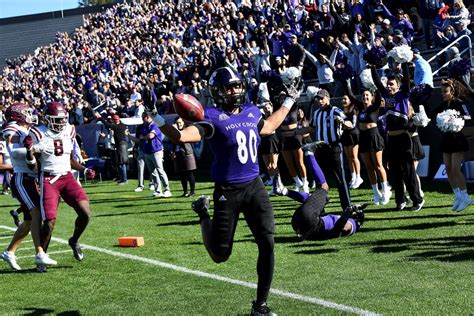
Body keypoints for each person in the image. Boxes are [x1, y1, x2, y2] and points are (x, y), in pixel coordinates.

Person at [153, 66, 301, 316]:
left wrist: (289, 100)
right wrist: (156, 118)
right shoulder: (210, 116)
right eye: (228, 87)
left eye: (237, 85)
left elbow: (271, 126)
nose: (234, 91)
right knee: (220, 255)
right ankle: (202, 213)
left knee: (267, 242)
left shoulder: (252, 111)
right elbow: (180, 137)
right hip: (227, 191)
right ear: (218, 92)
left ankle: (260, 305)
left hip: (254, 186)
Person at [25, 102, 95, 269]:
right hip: (49, 179)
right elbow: (33, 167)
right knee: (49, 222)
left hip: (67, 177)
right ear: (48, 119)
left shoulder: (69, 130)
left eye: (62, 119)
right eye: (57, 120)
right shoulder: (37, 133)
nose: (61, 123)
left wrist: (84, 170)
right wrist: (30, 153)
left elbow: (70, 159)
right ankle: (42, 257)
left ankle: (74, 240)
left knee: (86, 214)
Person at [0, 103, 57, 271]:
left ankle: (9, 252)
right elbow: (14, 152)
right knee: (36, 213)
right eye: (26, 112)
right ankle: (40, 253)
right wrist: (36, 149)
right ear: (17, 115)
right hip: (22, 177)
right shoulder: (12, 127)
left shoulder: (29, 129)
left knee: (28, 221)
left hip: (32, 177)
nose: (30, 114)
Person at [371, 62, 424, 211]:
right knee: (395, 171)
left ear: (398, 86)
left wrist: (406, 65)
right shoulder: (385, 95)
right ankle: (401, 200)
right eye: (388, 84)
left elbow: (407, 80)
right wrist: (372, 66)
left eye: (391, 84)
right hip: (391, 139)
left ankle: (417, 200)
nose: (388, 86)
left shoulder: (403, 94)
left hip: (404, 138)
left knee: (408, 171)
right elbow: (376, 82)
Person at [300, 89, 352, 209]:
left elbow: (350, 123)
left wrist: (343, 122)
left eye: (322, 98)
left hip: (334, 148)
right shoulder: (317, 113)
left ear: (328, 98)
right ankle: (320, 207)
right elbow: (312, 128)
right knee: (320, 180)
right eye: (318, 99)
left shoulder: (335, 110)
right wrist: (296, 132)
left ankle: (347, 207)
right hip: (320, 149)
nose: (320, 101)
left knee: (341, 179)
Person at [344, 80, 391, 205]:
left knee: (378, 165)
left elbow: (380, 94)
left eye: (367, 96)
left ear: (371, 98)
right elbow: (351, 96)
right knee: (369, 167)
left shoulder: (374, 107)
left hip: (374, 136)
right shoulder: (360, 107)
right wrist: (345, 80)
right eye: (364, 95)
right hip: (363, 137)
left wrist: (374, 85)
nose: (365, 97)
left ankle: (386, 190)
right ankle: (376, 193)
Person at [433, 79, 472, 211]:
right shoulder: (444, 104)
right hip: (447, 139)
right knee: (448, 169)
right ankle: (458, 196)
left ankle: (466, 196)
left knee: (455, 168)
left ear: (452, 91)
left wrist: (455, 117)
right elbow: (431, 114)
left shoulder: (458, 103)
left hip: (457, 139)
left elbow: (468, 116)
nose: (443, 94)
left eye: (445, 91)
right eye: (441, 92)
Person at [279, 187, 365, 241]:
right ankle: (284, 191)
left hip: (309, 223)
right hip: (300, 226)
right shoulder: (351, 221)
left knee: (323, 188)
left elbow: (340, 227)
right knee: (315, 200)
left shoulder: (352, 225)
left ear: (356, 217)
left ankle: (284, 191)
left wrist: (347, 213)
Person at [127, 112, 171, 198]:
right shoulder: (141, 127)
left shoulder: (155, 125)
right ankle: (158, 190)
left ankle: (167, 189)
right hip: (146, 151)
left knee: (160, 170)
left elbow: (151, 136)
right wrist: (128, 135)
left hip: (156, 150)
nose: (142, 119)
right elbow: (137, 140)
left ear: (148, 117)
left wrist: (143, 137)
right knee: (153, 172)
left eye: (144, 117)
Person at [98, 114, 129, 184]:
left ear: (115, 121)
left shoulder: (116, 126)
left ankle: (124, 179)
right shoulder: (122, 126)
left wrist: (100, 118)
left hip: (121, 145)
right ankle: (122, 178)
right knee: (120, 163)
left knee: (122, 163)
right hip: (120, 145)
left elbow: (108, 125)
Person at [172, 117, 196, 197]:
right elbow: (173, 142)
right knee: (182, 174)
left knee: (189, 173)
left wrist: (176, 130)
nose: (179, 124)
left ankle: (192, 191)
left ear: (183, 122)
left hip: (187, 153)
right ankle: (185, 191)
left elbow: (183, 138)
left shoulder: (187, 130)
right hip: (179, 154)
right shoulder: (175, 132)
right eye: (177, 123)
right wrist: (173, 152)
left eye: (180, 122)